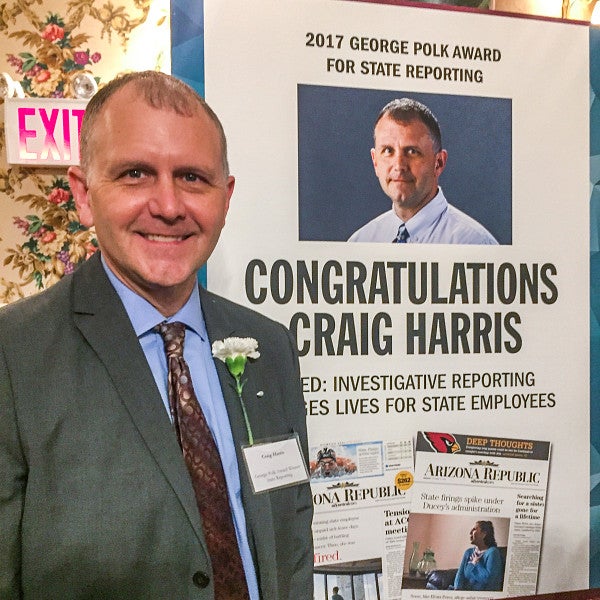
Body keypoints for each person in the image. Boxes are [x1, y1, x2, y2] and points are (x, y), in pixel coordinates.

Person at [0, 71, 313, 599]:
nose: (169, 206)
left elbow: (291, 544)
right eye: (136, 173)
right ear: (82, 194)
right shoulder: (14, 356)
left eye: (193, 177)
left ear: (225, 196)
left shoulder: (269, 346)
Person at [348, 98, 498, 245]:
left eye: (412, 151)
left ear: (438, 163)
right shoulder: (359, 243)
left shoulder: (476, 244)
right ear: (375, 161)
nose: (399, 165)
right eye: (388, 150)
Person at [453, 521, 504, 591]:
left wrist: (477, 563)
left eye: (474, 529)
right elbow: (460, 575)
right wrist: (456, 591)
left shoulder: (493, 552)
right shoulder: (469, 552)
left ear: (484, 534)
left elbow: (488, 580)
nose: (470, 532)